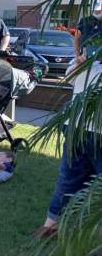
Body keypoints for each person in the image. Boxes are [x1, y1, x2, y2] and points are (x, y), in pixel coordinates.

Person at [33, 56, 102, 239]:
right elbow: (69, 78)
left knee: (70, 179)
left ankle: (52, 226)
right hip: (78, 127)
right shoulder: (89, 58)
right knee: (69, 178)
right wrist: (79, 63)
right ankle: (51, 226)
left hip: (82, 127)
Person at [74, 0, 101, 64]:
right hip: (84, 58)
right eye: (95, 10)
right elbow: (76, 38)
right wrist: (77, 56)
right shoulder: (85, 20)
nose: (97, 12)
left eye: (99, 11)